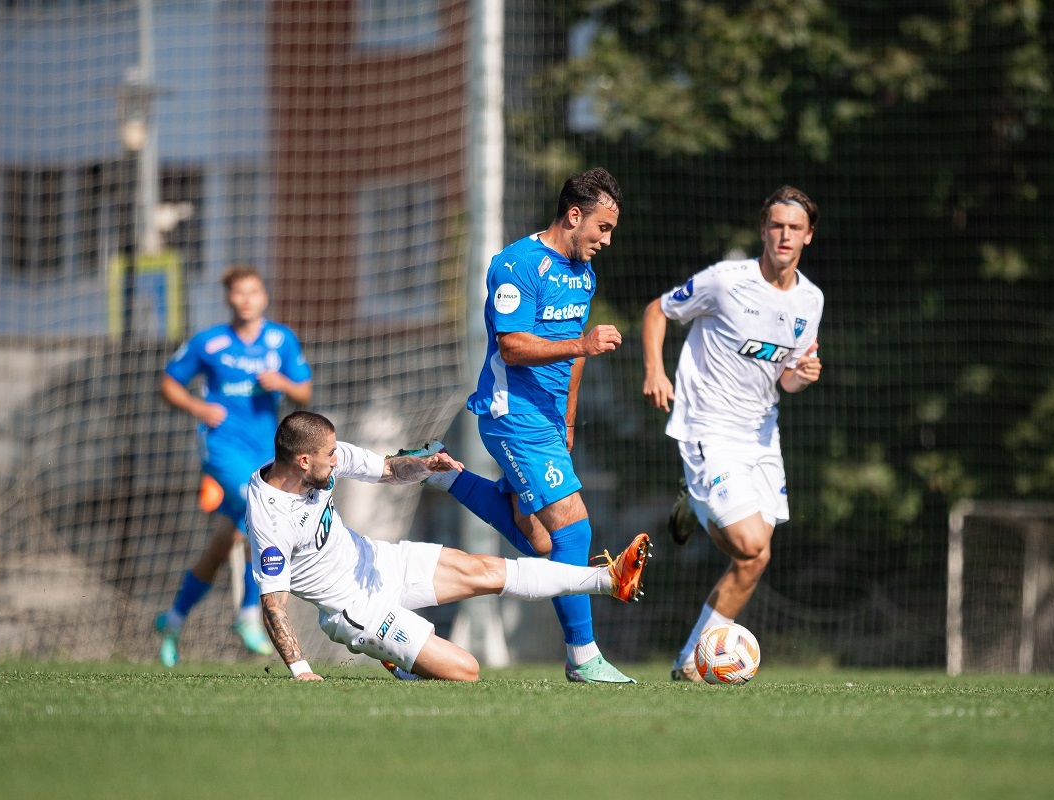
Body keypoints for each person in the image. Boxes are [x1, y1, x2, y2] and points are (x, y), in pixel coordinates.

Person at [414, 168, 636, 682]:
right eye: (602, 228)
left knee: (541, 543)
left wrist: (570, 418)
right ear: (574, 215)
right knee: (574, 530)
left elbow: (574, 357)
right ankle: (584, 658)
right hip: (511, 414)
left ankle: (443, 471)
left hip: (548, 421)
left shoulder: (583, 272)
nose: (606, 241)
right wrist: (583, 345)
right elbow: (513, 348)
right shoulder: (516, 265)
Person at [249, 411, 652, 681]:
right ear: (303, 460)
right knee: (466, 671)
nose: (338, 460)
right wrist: (301, 670)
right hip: (355, 610)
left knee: (488, 571)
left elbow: (389, 469)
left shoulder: (323, 460)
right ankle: (397, 657)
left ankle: (608, 579)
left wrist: (426, 466)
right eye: (329, 455)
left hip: (380, 561)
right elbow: (273, 605)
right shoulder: (270, 518)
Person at [641, 186, 824, 682]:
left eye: (794, 228)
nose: (784, 235)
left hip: (762, 435)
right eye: (776, 226)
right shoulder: (726, 281)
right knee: (747, 543)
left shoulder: (812, 299)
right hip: (709, 427)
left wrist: (800, 377)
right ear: (764, 230)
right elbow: (658, 310)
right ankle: (698, 500)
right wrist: (655, 371)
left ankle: (690, 663)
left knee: (755, 556)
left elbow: (785, 377)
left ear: (808, 236)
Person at [154, 264, 313, 667]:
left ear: (264, 296)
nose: (246, 299)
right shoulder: (209, 343)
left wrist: (283, 384)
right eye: (238, 293)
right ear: (228, 298)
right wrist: (197, 407)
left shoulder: (281, 340)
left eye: (253, 292)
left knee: (224, 542)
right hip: (222, 449)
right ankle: (246, 616)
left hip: (265, 451)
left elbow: (304, 392)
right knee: (255, 515)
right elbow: (169, 382)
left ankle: (172, 621)